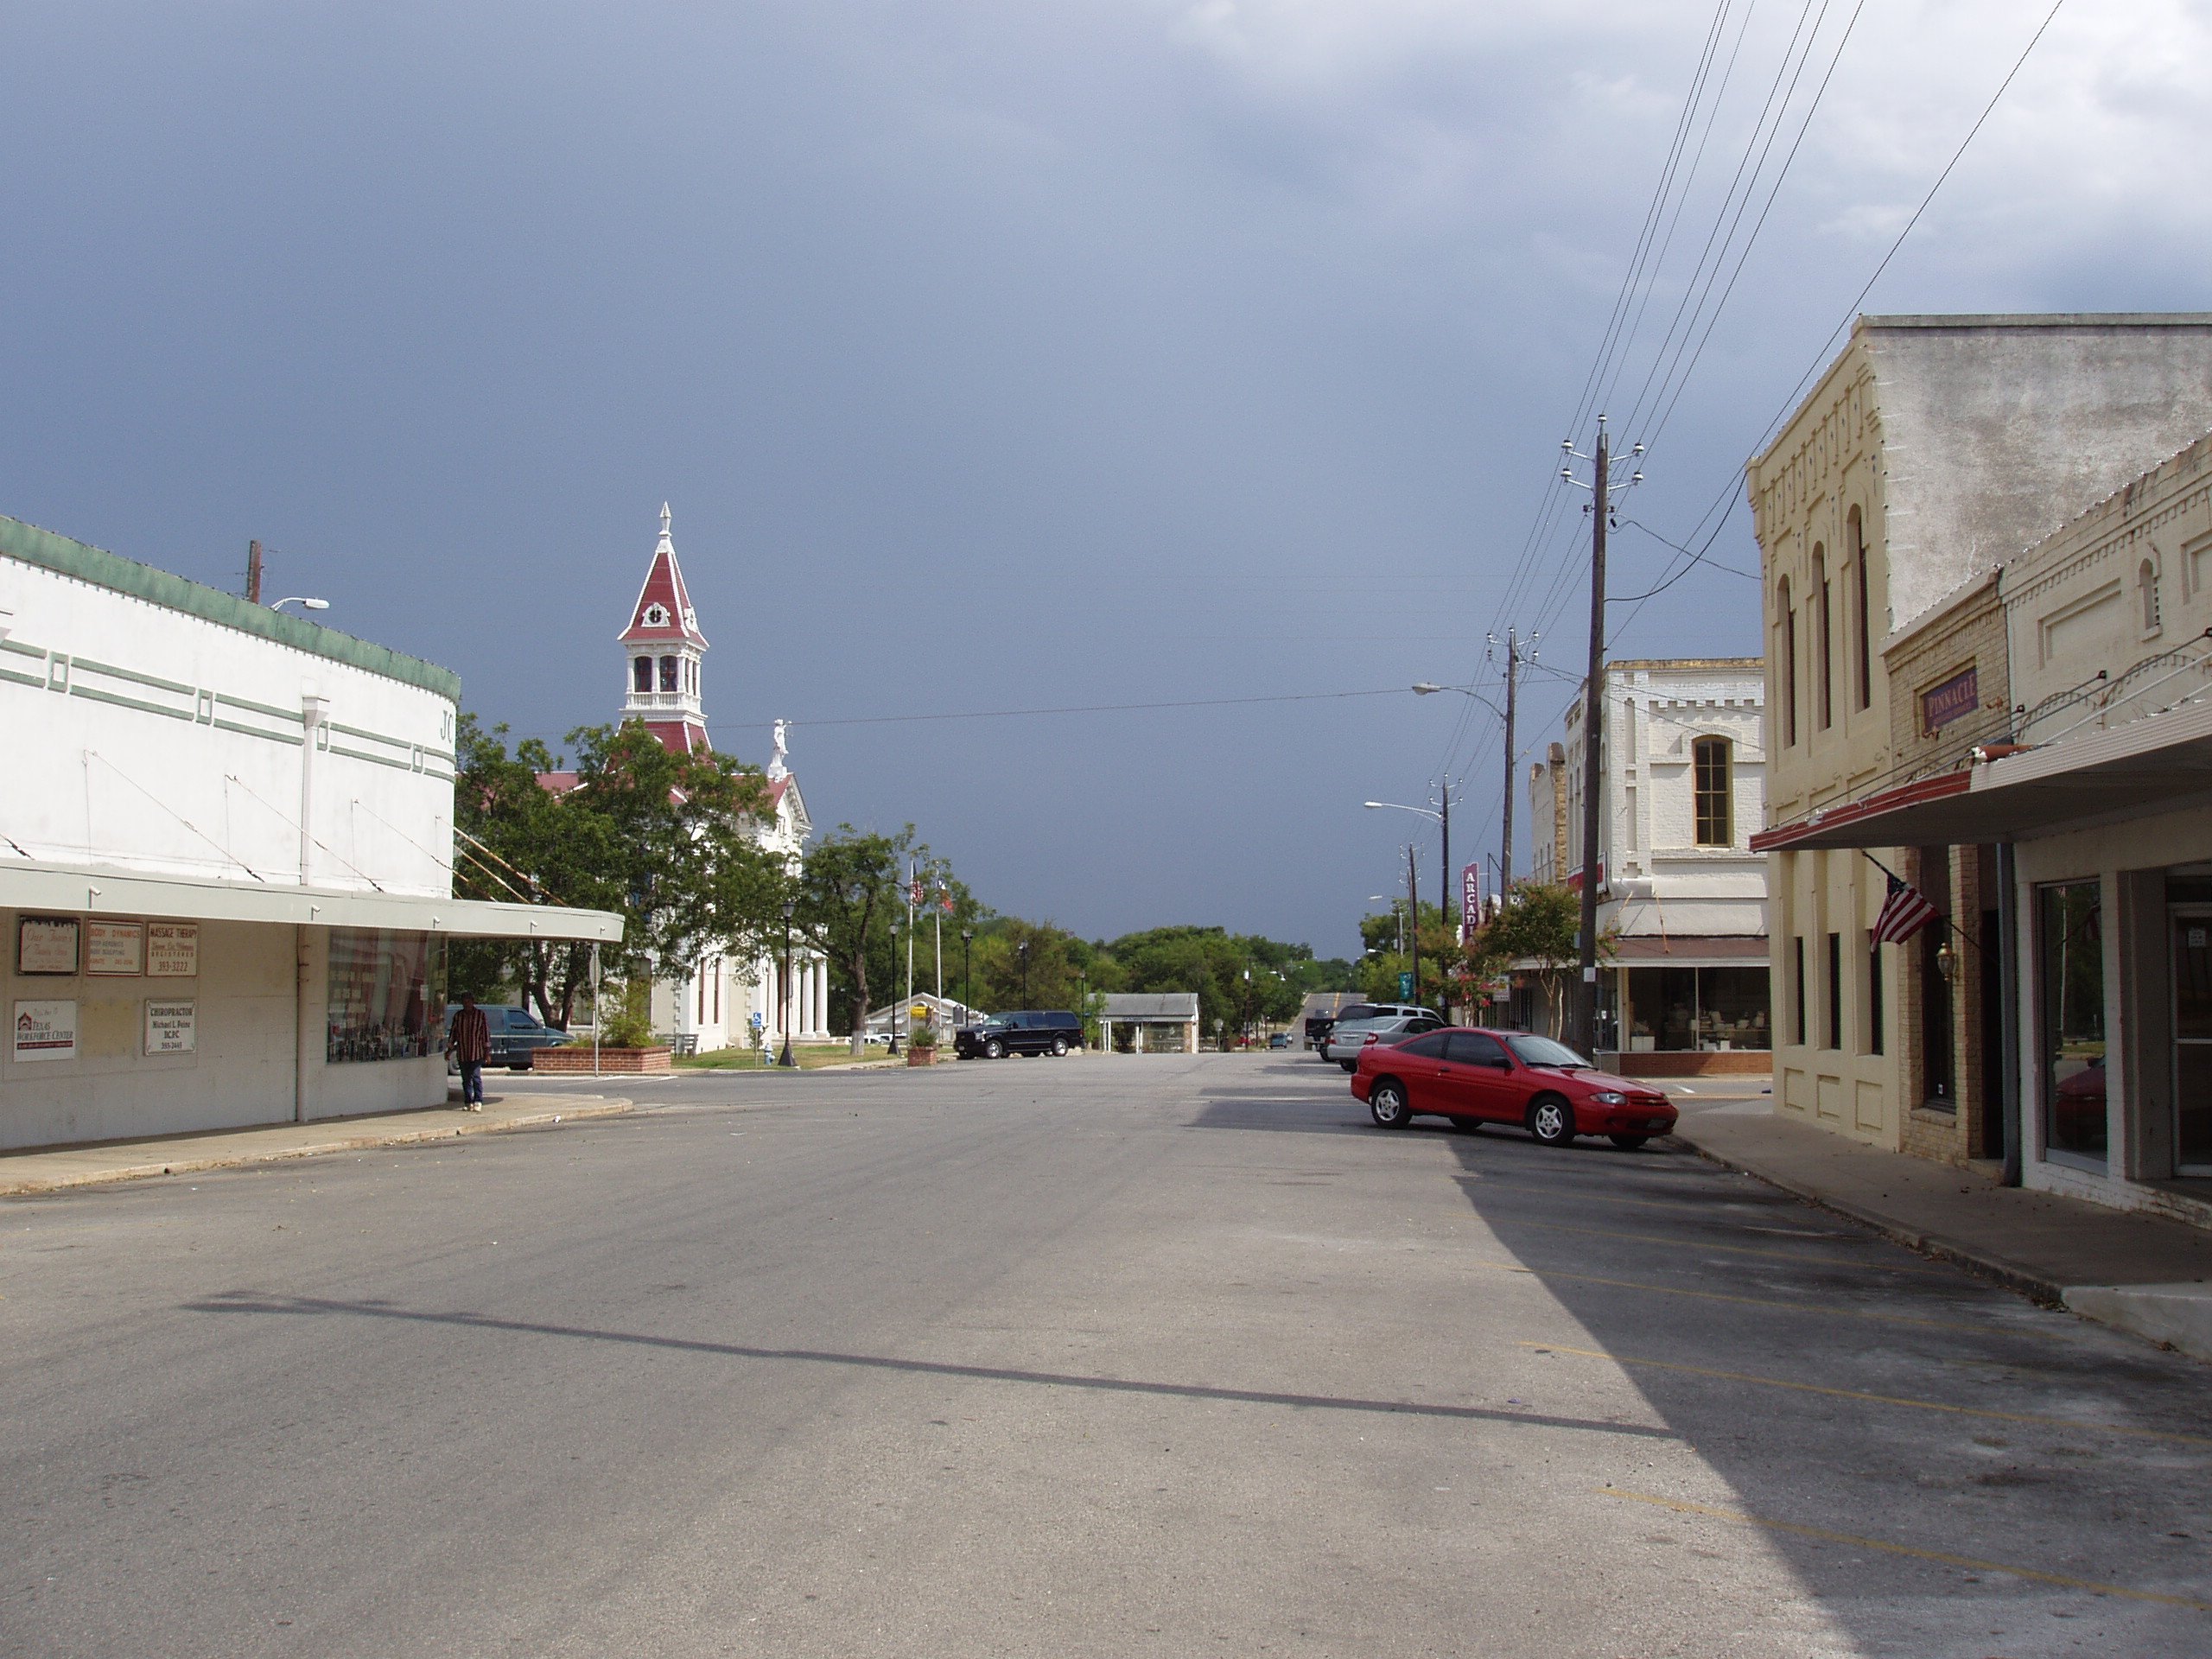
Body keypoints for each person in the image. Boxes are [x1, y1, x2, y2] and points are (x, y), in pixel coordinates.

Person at [449, 993, 491, 1110]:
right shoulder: (458, 1016)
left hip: (476, 1052)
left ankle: (478, 1100)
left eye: (468, 1001)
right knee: (465, 1079)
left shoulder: (480, 1015)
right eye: (464, 1002)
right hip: (463, 1052)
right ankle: (468, 1101)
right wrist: (450, 1049)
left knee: (476, 1077)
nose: (466, 1004)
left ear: (472, 1002)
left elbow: (486, 1034)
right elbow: (454, 1033)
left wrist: (487, 1053)